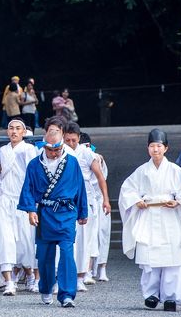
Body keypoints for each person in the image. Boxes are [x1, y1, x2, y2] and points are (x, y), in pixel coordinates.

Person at [119, 129, 181, 312]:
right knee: (149, 259)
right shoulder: (142, 171)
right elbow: (127, 189)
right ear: (148, 148)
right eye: (152, 146)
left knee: (172, 258)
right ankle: (152, 294)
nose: (155, 149)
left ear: (166, 148)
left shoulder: (176, 171)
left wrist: (178, 201)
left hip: (170, 216)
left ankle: (171, 297)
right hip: (148, 214)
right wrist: (136, 200)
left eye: (158, 146)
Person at [18, 117, 88, 308]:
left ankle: (67, 294)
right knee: (45, 255)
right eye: (50, 149)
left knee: (67, 253)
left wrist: (82, 211)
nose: (54, 153)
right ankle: (47, 287)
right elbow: (28, 188)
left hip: (66, 213)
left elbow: (80, 187)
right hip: (45, 214)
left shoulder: (71, 162)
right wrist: (31, 210)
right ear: (44, 145)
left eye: (57, 149)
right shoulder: (34, 164)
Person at [63, 122, 111, 291]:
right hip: (66, 198)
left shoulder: (87, 153)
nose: (70, 143)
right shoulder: (59, 151)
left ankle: (83, 275)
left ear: (78, 138)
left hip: (86, 197)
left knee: (86, 238)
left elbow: (100, 177)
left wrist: (105, 199)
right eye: (67, 140)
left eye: (73, 140)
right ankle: (67, 275)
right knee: (68, 239)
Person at [0, 119, 38, 295]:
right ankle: (9, 282)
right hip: (5, 200)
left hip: (24, 201)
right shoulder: (2, 151)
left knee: (26, 241)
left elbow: (34, 174)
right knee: (5, 240)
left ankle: (32, 277)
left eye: (18, 128)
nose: (14, 131)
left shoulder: (29, 150)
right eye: (11, 128)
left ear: (24, 132)